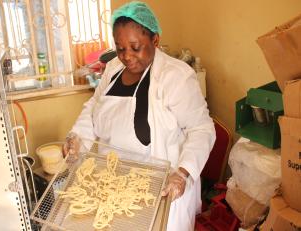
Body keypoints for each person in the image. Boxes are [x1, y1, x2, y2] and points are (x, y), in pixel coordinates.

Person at [63, 1, 216, 230]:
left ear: (155, 40)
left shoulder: (175, 76)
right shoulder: (113, 69)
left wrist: (182, 174)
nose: (127, 56)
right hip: (113, 185)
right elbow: (95, 105)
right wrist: (77, 137)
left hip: (162, 190)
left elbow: (202, 129)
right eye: (120, 47)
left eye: (136, 47)